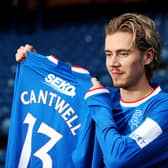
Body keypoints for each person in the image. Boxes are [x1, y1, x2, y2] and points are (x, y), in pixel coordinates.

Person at [15, 13, 168, 167]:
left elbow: (118, 159)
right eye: (109, 54)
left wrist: (100, 106)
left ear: (148, 56)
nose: (113, 63)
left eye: (123, 54)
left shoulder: (162, 108)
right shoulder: (103, 96)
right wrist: (37, 65)